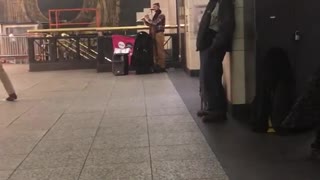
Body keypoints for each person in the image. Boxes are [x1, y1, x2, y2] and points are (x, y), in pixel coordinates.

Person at [196, 0, 235, 122]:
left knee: (212, 77)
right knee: (206, 77)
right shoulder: (214, 2)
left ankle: (217, 111)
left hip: (212, 45)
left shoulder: (225, 3)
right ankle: (211, 107)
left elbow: (226, 27)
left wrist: (215, 45)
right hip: (207, 44)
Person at [143, 2, 166, 73]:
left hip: (159, 33)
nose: (154, 8)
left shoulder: (161, 15)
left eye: (155, 7)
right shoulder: (155, 15)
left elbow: (155, 23)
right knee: (155, 50)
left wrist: (148, 19)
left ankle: (162, 66)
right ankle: (157, 65)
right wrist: (145, 20)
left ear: (158, 7)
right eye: (153, 7)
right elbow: (151, 24)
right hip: (154, 34)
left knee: (160, 50)